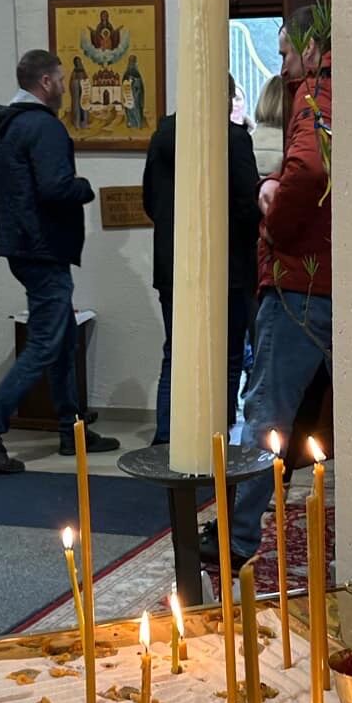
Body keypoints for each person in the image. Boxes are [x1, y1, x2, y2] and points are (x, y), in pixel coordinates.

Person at [0, 50, 118, 473]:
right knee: (46, 343)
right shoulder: (42, 126)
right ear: (45, 82)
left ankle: (72, 429)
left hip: (25, 245)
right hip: (43, 248)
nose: (65, 87)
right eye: (61, 80)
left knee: (64, 340)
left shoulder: (11, 125)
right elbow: (55, 188)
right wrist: (84, 187)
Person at [208, 41, 332, 570]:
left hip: (301, 281)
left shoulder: (317, 91)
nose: (281, 66)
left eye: (284, 52)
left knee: (265, 413)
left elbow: (310, 172)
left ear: (311, 47)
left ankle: (235, 537)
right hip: (340, 278)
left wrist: (272, 215)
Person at [142, 77, 260, 447]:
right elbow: (248, 206)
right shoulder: (233, 139)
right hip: (226, 266)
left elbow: (150, 201)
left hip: (173, 263)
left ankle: (167, 439)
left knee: (176, 352)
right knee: (228, 356)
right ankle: (215, 440)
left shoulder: (163, 136)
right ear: (222, 98)